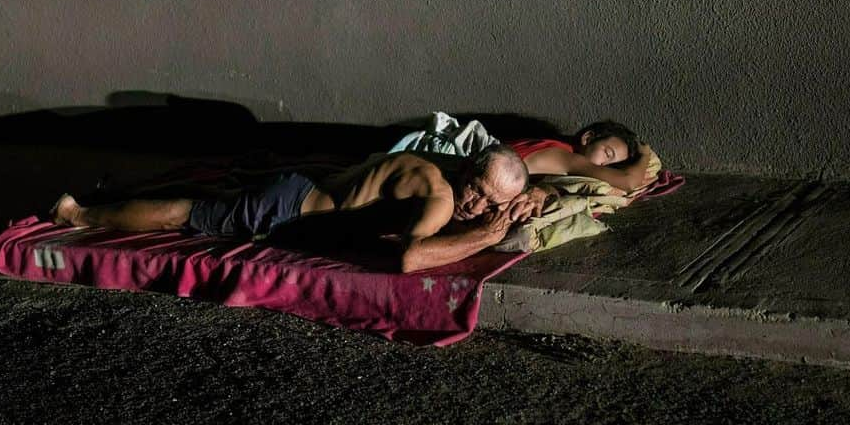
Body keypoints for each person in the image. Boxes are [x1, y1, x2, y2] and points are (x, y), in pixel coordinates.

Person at [51, 144, 530, 273]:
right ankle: (76, 213)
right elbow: (409, 257)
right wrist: (486, 236)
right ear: (467, 170)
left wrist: (539, 194)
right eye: (477, 189)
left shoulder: (444, 163)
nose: (478, 203)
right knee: (184, 215)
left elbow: (534, 178)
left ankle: (114, 187)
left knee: (213, 194)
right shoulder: (441, 198)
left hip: (300, 186)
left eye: (492, 201)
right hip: (287, 211)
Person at [507, 120, 653, 193]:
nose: (603, 167)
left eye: (611, 166)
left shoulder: (553, 146)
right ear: (588, 138)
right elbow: (629, 182)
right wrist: (645, 155)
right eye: (607, 154)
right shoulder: (566, 157)